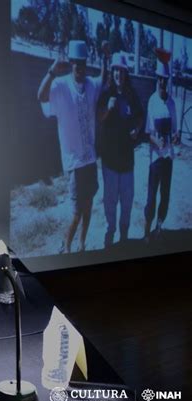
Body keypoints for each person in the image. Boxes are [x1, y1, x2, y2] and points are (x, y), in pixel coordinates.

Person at [38, 40, 108, 253]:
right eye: (75, 62)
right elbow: (41, 96)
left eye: (82, 62)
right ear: (71, 63)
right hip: (74, 163)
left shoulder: (90, 84)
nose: (79, 66)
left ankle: (81, 243)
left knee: (88, 208)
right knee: (77, 212)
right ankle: (66, 247)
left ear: (86, 63)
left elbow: (102, 79)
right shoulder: (60, 85)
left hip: (90, 159)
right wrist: (51, 72)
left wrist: (105, 57)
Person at [97, 52, 143, 247]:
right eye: (116, 70)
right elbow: (99, 117)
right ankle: (110, 231)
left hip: (127, 160)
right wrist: (108, 108)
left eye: (122, 71)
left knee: (126, 200)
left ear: (126, 73)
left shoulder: (132, 94)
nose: (119, 74)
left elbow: (141, 115)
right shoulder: (105, 92)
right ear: (112, 72)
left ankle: (123, 233)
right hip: (109, 160)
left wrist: (137, 129)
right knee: (110, 201)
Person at [144, 51, 179, 242]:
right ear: (156, 79)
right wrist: (156, 141)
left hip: (168, 159)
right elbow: (148, 132)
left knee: (165, 196)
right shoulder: (151, 101)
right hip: (155, 159)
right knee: (151, 198)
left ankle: (159, 227)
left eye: (166, 80)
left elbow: (175, 131)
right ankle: (146, 231)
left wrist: (175, 138)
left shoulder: (172, 103)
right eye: (160, 79)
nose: (163, 83)